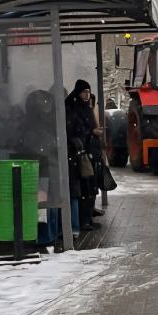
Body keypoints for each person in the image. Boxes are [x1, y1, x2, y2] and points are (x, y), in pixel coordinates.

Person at [65, 79, 104, 231]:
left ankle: (87, 218)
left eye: (88, 92)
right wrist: (91, 132)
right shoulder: (73, 109)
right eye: (84, 92)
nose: (87, 95)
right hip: (81, 154)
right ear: (78, 92)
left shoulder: (86, 107)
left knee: (91, 186)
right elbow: (74, 131)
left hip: (91, 151)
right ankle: (83, 221)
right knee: (85, 187)